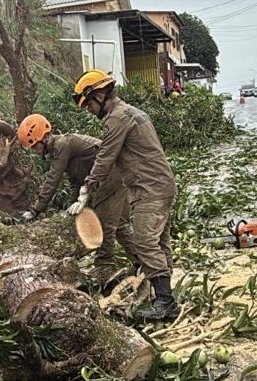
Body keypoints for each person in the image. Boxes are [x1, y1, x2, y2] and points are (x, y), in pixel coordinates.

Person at [70, 69, 179, 322]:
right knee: (160, 242)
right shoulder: (132, 112)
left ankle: (165, 303)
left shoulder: (116, 119)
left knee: (144, 241)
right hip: (160, 184)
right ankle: (163, 294)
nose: (89, 110)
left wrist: (86, 190)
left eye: (88, 105)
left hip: (149, 188)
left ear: (98, 95)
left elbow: (105, 156)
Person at [16, 113, 137, 290]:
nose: (35, 151)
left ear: (45, 137)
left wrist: (36, 210)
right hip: (111, 176)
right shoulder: (61, 149)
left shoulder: (62, 145)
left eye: (35, 146)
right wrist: (69, 208)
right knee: (121, 225)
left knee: (104, 224)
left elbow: (53, 178)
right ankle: (144, 261)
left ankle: (105, 267)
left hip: (110, 176)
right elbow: (75, 180)